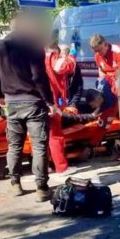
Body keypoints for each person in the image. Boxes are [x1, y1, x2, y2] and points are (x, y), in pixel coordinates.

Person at [0, 12, 54, 201]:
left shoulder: (0, 46)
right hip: (33, 101)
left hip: (11, 102)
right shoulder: (33, 45)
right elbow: (38, 77)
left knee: (14, 145)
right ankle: (41, 188)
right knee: (39, 146)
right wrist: (49, 101)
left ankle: (15, 184)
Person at [45, 41, 79, 174]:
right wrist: (70, 56)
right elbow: (61, 68)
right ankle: (61, 167)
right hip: (52, 102)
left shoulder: (38, 56)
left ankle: (46, 166)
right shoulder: (52, 57)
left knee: (43, 136)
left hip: (42, 101)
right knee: (55, 135)